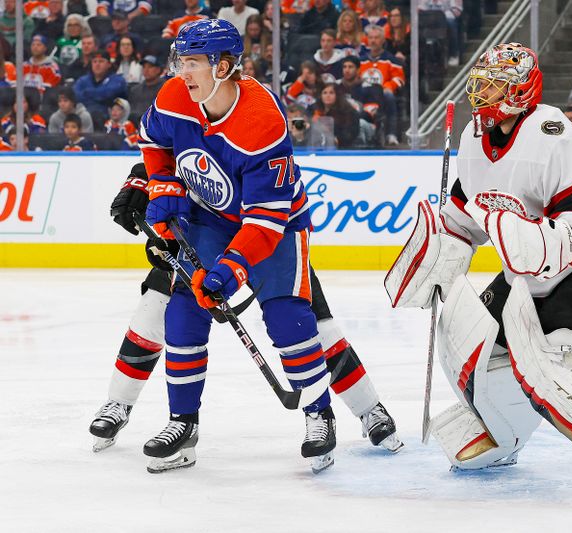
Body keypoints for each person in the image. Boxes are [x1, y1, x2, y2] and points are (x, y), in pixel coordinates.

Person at [386, 42, 572, 505]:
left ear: (521, 91)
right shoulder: (473, 138)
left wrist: (542, 246)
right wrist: (444, 250)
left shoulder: (553, 135)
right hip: (532, 270)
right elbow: (468, 213)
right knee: (473, 343)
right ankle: (502, 431)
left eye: (494, 87)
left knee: (561, 360)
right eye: (480, 85)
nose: (481, 95)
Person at [135, 19, 338, 474]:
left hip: (277, 224)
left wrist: (228, 271)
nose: (181, 73)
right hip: (209, 218)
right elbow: (153, 141)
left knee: (289, 319)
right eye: (179, 62)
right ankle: (182, 423)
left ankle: (318, 413)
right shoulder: (174, 97)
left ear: (224, 66)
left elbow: (265, 220)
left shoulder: (262, 121)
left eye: (192, 63)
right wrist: (164, 190)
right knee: (184, 311)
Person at [89, 161, 401, 456]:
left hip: (267, 232)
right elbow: (168, 142)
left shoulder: (254, 121)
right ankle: (120, 403)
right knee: (154, 311)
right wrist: (141, 178)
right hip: (203, 230)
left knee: (312, 328)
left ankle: (368, 408)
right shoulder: (189, 111)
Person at [359, 24, 404, 145]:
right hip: (363, 94)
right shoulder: (360, 60)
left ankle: (391, 134)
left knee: (389, 96)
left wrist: (387, 87)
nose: (373, 40)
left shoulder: (392, 60)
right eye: (371, 38)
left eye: (377, 38)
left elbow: (399, 79)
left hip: (381, 95)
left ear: (383, 40)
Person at [73, 50, 128, 117]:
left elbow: (108, 94)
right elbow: (76, 96)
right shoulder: (82, 80)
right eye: (94, 61)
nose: (97, 64)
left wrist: (87, 92)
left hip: (109, 117)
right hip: (85, 116)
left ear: (109, 64)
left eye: (101, 61)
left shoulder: (118, 80)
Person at [312, 82, 359, 147]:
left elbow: (350, 133)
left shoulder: (349, 112)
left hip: (343, 149)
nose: (327, 95)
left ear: (337, 95)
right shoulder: (313, 109)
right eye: (325, 93)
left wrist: (336, 140)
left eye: (331, 93)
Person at [129, 55, 166, 119]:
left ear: (158, 70)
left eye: (150, 67)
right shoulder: (135, 90)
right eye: (144, 67)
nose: (146, 70)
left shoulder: (165, 89)